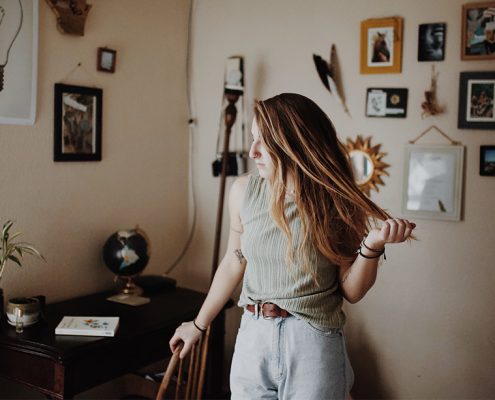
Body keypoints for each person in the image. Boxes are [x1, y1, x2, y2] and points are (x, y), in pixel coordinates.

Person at [170, 93, 416, 399]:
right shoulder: (244, 191)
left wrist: (373, 245)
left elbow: (351, 291)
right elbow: (234, 261)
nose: (252, 152)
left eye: (264, 142)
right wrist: (199, 324)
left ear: (295, 144)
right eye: (253, 139)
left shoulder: (337, 203)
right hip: (252, 336)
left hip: (312, 340)